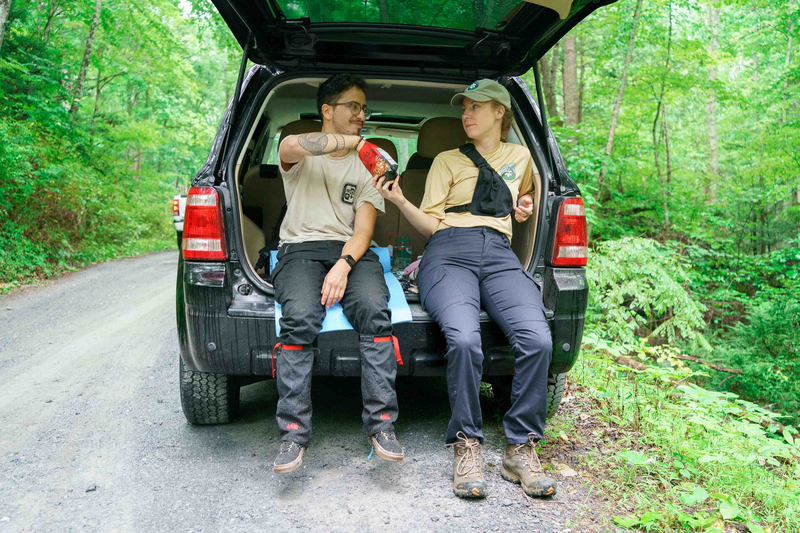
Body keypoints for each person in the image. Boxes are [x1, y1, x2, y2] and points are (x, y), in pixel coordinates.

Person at [373, 79, 556, 498]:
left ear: (499, 113)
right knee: (464, 339)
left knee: (537, 339)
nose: (467, 114)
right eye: (464, 108)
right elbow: (432, 224)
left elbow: (522, 200)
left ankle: (520, 448)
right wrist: (401, 201)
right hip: (448, 248)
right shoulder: (446, 160)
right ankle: (467, 444)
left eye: (477, 107)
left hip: (499, 253)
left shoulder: (523, 157)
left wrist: (523, 208)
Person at [271, 74, 403, 474]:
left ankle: (382, 425)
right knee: (299, 319)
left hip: (350, 251)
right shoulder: (299, 154)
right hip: (299, 250)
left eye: (364, 109)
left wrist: (344, 265)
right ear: (327, 111)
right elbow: (291, 144)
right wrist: (359, 143)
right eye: (354, 107)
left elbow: (363, 230)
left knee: (374, 310)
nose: (362, 115)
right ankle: (293, 432)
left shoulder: (368, 168)